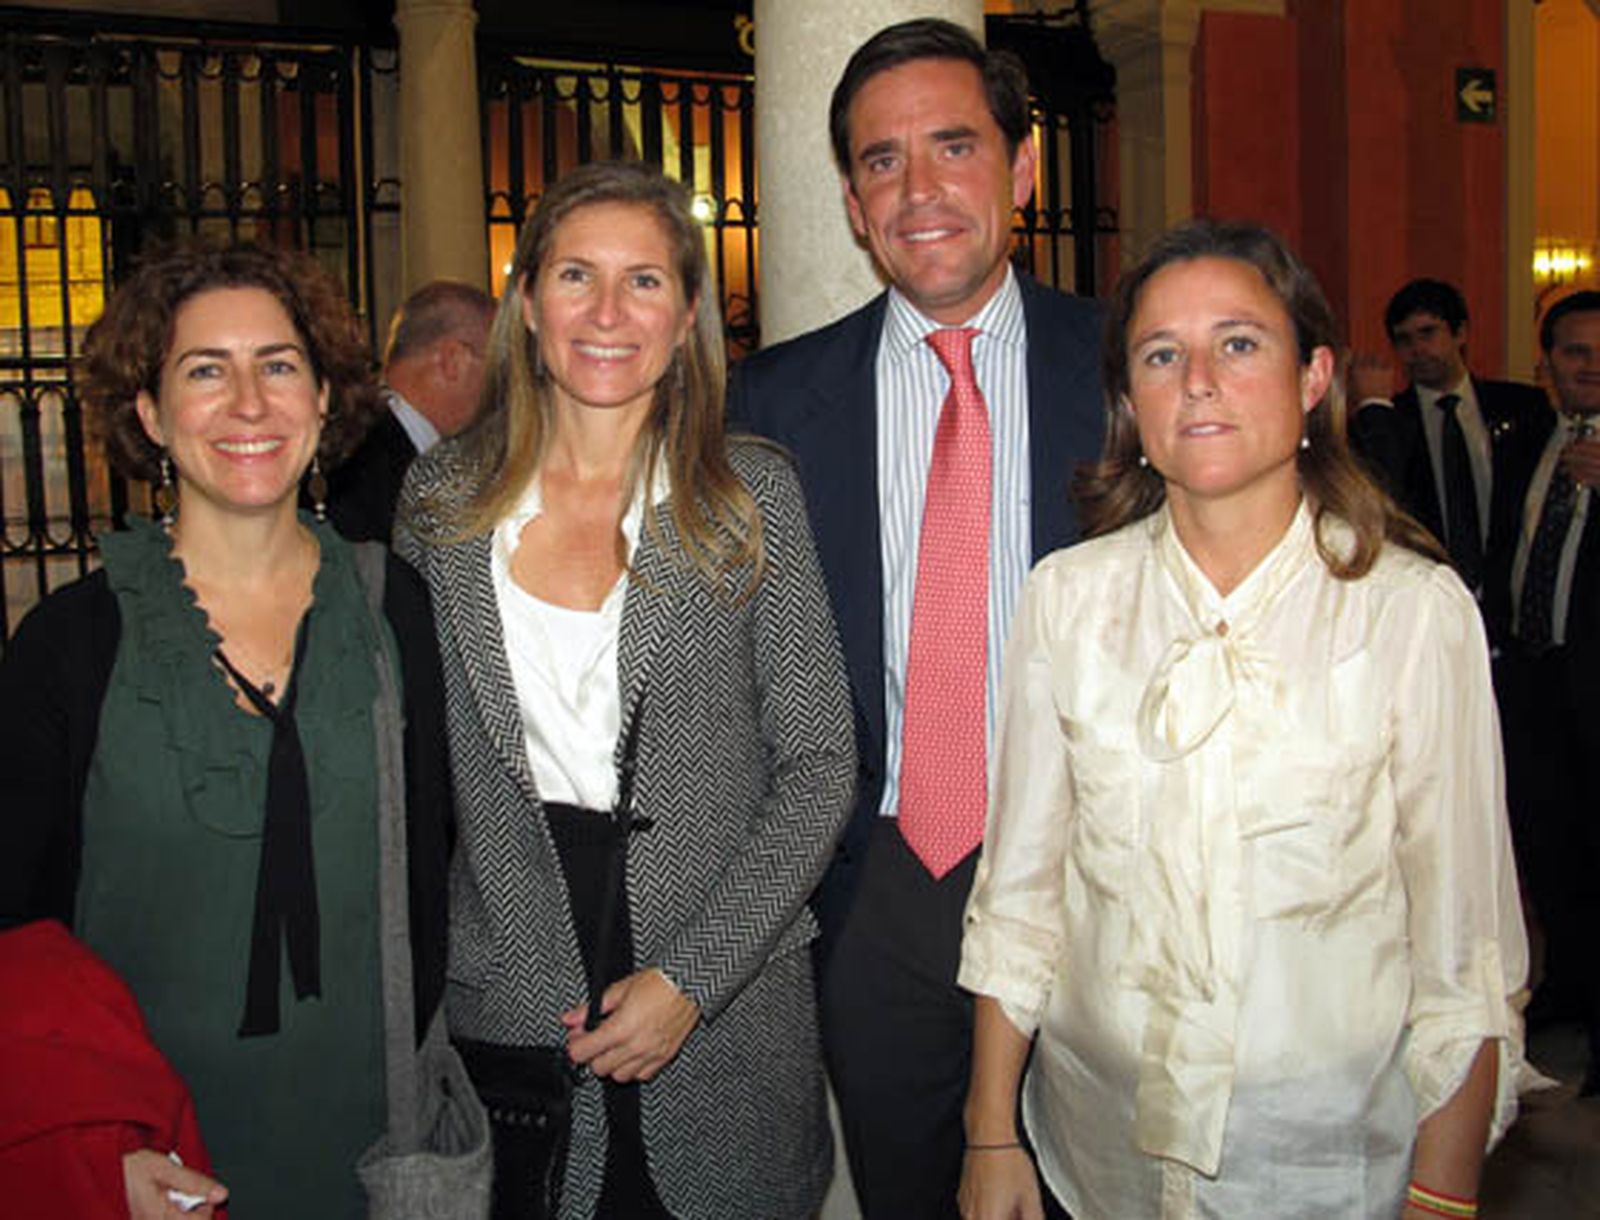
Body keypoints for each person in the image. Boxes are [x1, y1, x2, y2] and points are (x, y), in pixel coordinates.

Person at [959, 221, 1529, 1220]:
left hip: (1324, 1164)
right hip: (1102, 1157)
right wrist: (990, 1128)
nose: (1198, 381)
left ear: (1313, 376)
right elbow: (1020, 893)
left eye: (1238, 342)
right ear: (1129, 401)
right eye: (1161, 354)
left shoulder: (1406, 613)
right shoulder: (1068, 598)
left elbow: (1464, 956)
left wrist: (1442, 1195)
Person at [395, 159, 854, 1220]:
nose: (607, 313)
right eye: (575, 277)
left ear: (686, 312)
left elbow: (820, 759)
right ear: (526, 301)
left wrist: (692, 977)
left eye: (643, 281)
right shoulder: (438, 503)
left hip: (727, 998)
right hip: (514, 994)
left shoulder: (746, 497)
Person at [727, 19, 1103, 1217]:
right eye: (883, 161)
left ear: (1023, 170)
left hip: (1099, 867)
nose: (921, 188)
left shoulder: (1128, 374)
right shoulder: (770, 402)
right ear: (849, 200)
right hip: (875, 878)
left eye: (954, 146)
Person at [0, 242, 453, 1217]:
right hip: (148, 1156)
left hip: (368, 1150)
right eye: (206, 369)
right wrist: (88, 1145)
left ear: (326, 399)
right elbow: (13, 933)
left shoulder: (396, 611)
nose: (249, 402)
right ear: (150, 412)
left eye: (279, 364)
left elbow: (439, 877)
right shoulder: (70, 646)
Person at [1494, 289, 1600, 1094]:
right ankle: (1567, 985)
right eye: (1572, 351)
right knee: (1549, 847)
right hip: (1535, 680)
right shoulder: (1531, 435)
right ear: (1547, 365)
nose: (1589, 365)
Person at [1349, 277, 1547, 617]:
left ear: (1460, 333)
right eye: (1404, 340)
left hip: (1512, 601)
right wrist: (1374, 409)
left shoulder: (1522, 407)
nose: (1417, 350)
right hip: (1428, 599)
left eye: (1428, 333)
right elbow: (1380, 502)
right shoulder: (1389, 424)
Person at [323, 279, 495, 542]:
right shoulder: (361, 467)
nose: (509, 387)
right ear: (453, 360)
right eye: (500, 366)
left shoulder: (369, 441)